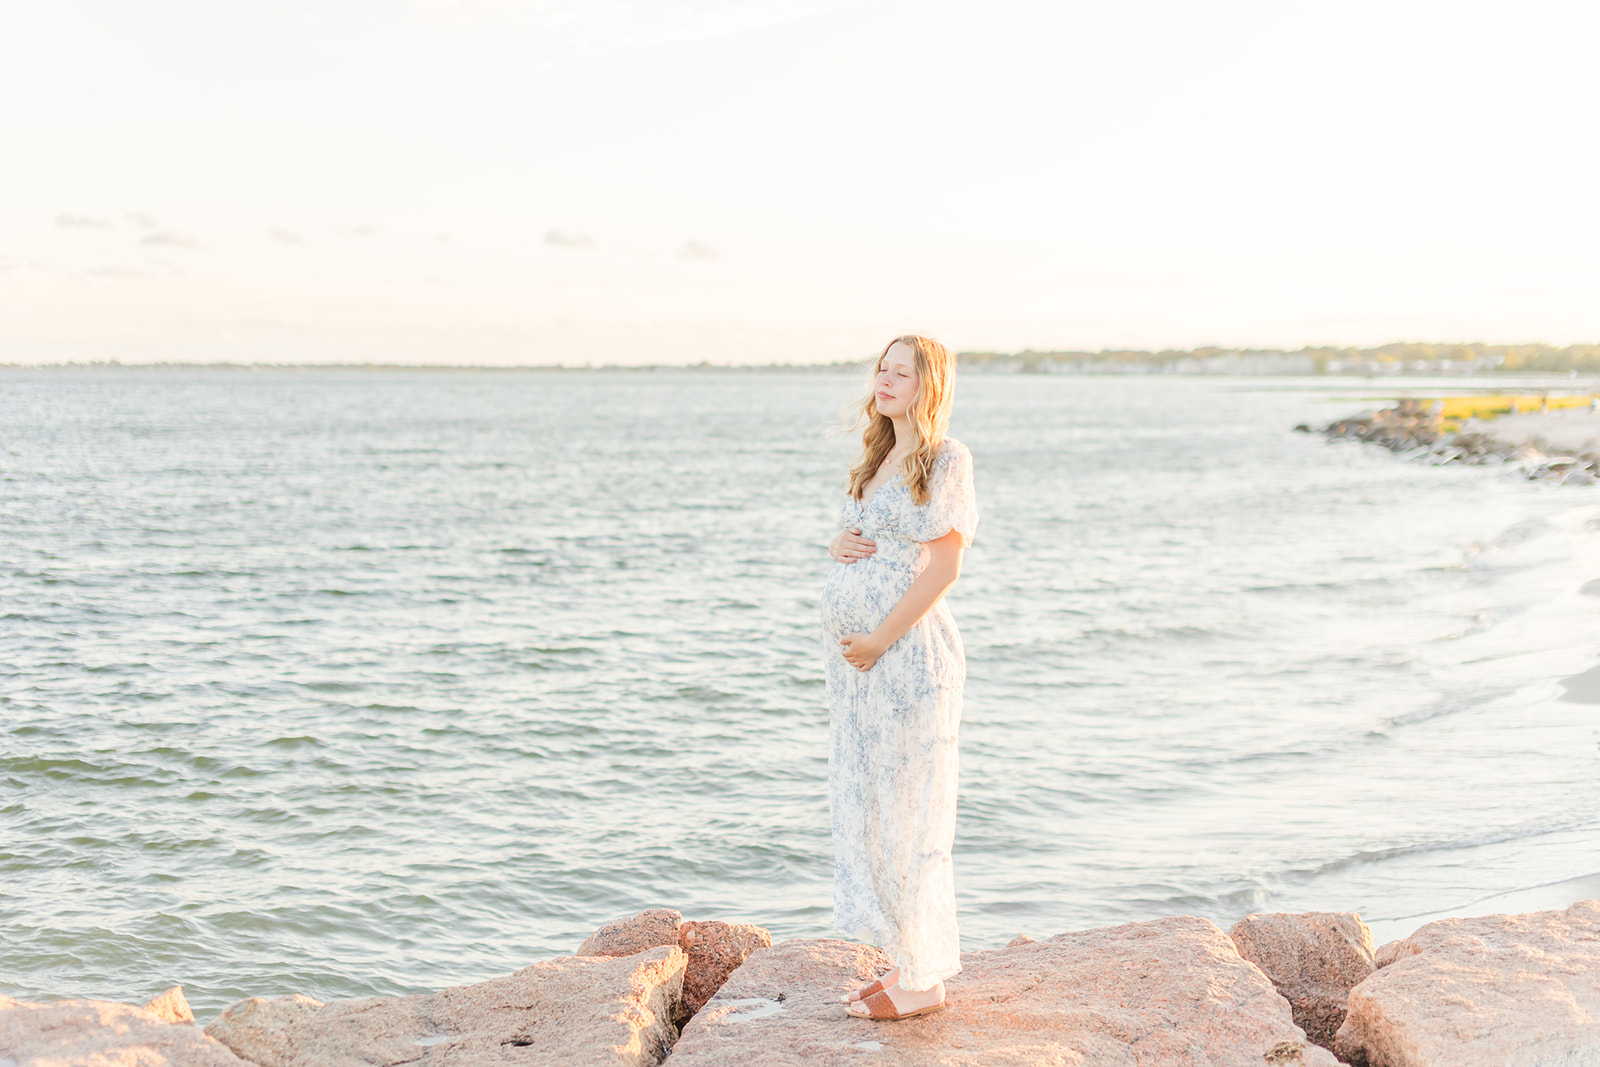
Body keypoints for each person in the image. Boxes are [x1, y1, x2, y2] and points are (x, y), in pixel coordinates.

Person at [820, 334, 978, 1021]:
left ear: (928, 384)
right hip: (863, 672)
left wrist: (882, 637)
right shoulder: (879, 456)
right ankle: (906, 959)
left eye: (901, 372)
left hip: (908, 658)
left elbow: (944, 569)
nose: (885, 380)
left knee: (912, 809)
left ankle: (924, 982)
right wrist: (838, 543)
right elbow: (865, 536)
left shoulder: (946, 458)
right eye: (882, 368)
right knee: (874, 806)